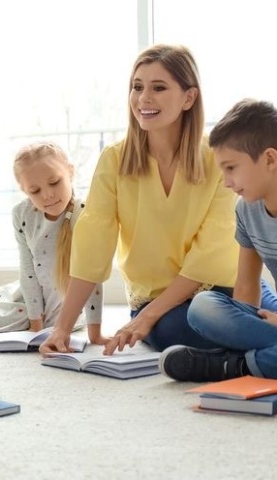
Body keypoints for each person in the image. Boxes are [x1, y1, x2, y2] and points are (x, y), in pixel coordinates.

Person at [40, 44, 240, 357]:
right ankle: (251, 356)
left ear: (189, 97)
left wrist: (144, 320)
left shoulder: (217, 159)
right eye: (137, 87)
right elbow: (93, 247)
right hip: (159, 305)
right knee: (185, 332)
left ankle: (236, 361)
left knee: (253, 316)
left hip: (222, 290)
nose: (143, 98)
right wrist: (62, 328)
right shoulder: (114, 161)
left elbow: (212, 252)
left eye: (158, 88)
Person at [160, 99, 277, 382]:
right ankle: (257, 359)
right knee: (203, 307)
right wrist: (248, 325)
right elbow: (247, 283)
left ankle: (232, 366)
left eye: (231, 168)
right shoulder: (246, 209)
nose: (225, 181)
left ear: (270, 159)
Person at [0, 142, 103, 338]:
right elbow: (28, 271)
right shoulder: (22, 214)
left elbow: (92, 279)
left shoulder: (86, 214)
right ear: (24, 190)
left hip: (62, 309)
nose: (47, 194)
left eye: (55, 182)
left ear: (70, 173)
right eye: (35, 191)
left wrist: (95, 334)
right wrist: (35, 327)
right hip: (28, 299)